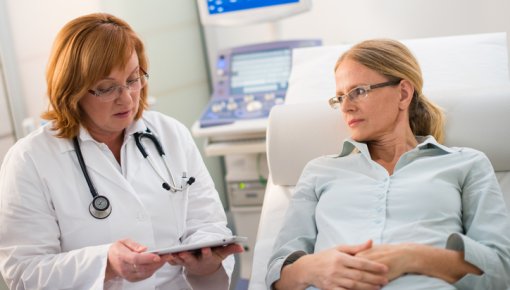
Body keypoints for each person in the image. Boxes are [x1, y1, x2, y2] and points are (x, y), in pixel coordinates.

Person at [0, 13, 243, 290]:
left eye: (133, 78)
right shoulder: (30, 160)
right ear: (73, 90)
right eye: (106, 88)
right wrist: (106, 264)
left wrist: (208, 262)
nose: (126, 97)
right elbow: (24, 273)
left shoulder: (170, 134)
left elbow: (207, 222)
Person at [266, 39, 510, 290]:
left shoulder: (467, 163)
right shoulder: (319, 171)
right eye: (340, 97)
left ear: (403, 93)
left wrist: (410, 257)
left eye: (359, 91)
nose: (347, 107)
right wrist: (311, 268)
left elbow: (500, 270)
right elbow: (277, 274)